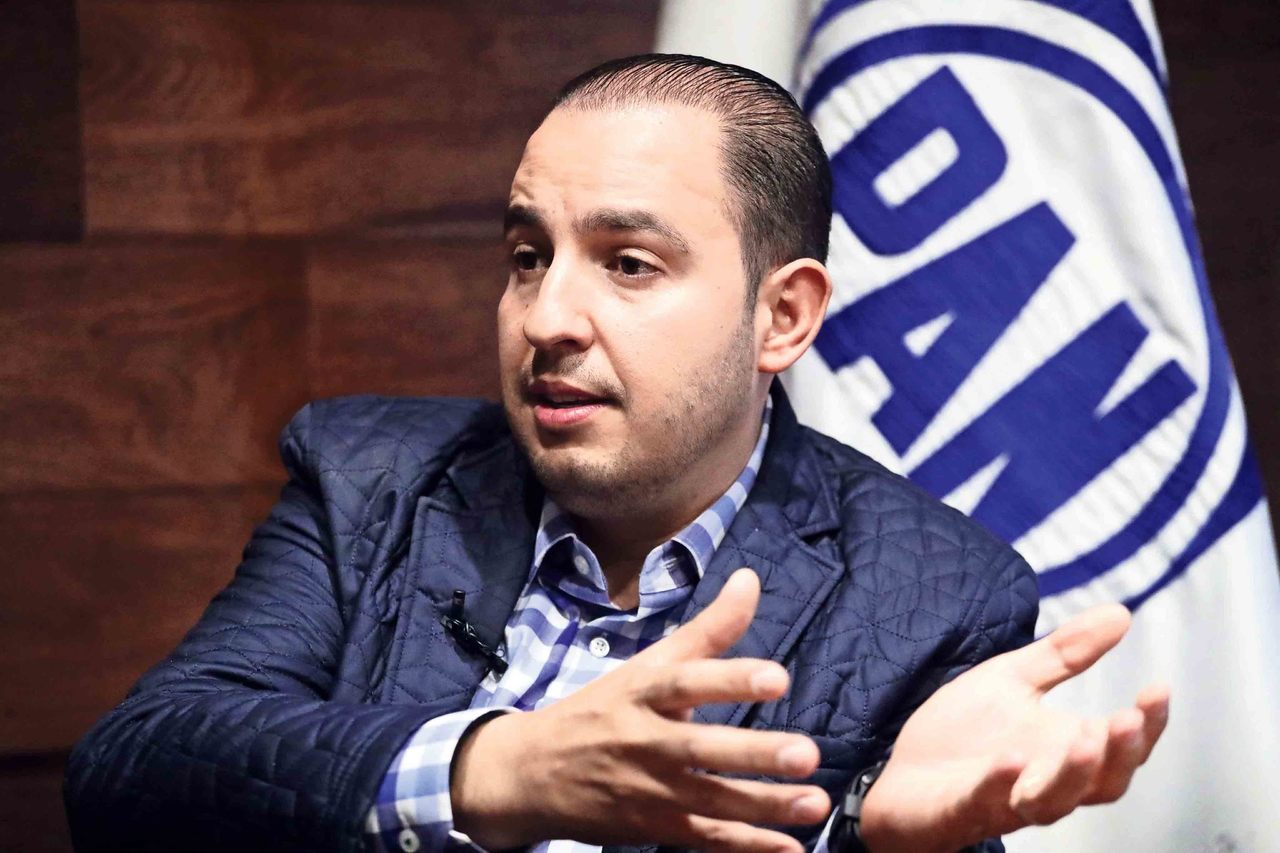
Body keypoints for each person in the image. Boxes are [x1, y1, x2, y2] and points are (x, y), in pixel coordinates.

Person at [64, 55, 1168, 853]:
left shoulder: (936, 593)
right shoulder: (367, 478)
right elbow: (137, 768)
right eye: (526, 255)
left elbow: (892, 807)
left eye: (628, 263)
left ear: (781, 316)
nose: (546, 318)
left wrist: (862, 839)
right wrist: (499, 767)